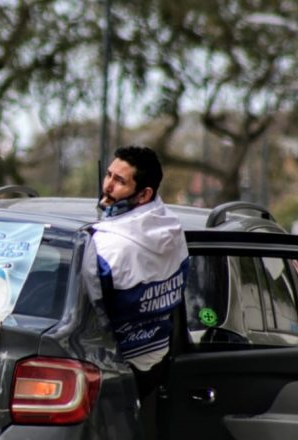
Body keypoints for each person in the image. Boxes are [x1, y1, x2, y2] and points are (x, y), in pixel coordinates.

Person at [82, 145, 189, 439]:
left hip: (113, 371)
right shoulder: (174, 228)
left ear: (144, 194)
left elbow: (88, 313)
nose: (107, 185)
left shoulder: (104, 247)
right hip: (155, 361)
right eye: (108, 175)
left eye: (119, 181)